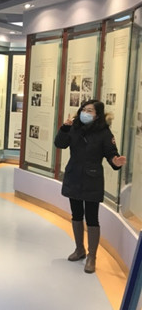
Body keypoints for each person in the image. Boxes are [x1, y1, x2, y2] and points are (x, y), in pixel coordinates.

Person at [54, 99, 126, 273]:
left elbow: (111, 153)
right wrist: (64, 128)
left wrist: (115, 161)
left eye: (90, 111)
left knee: (92, 218)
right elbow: (60, 144)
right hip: (74, 176)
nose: (85, 113)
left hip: (92, 179)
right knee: (76, 214)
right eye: (84, 109)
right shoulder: (74, 127)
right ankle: (79, 249)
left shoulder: (104, 132)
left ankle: (92, 256)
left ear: (97, 115)